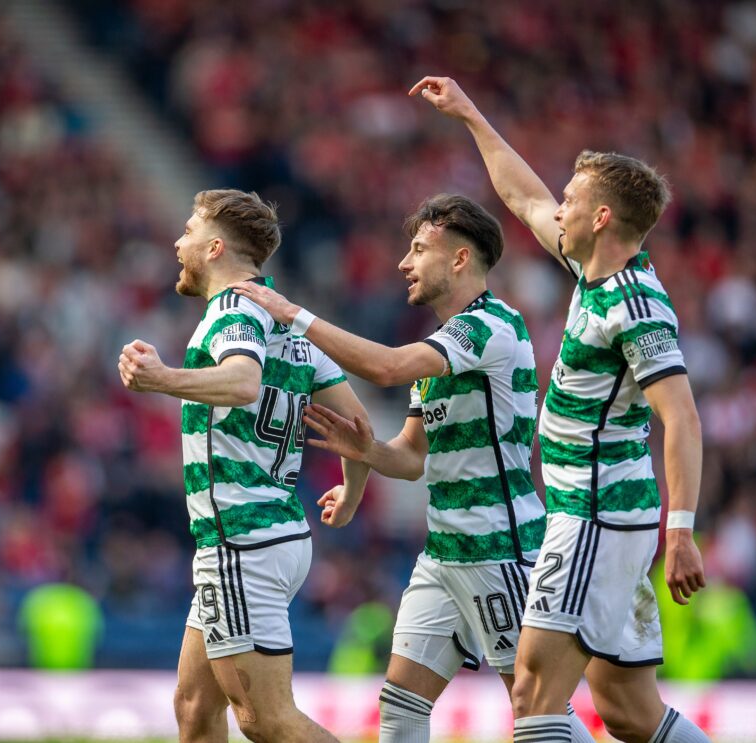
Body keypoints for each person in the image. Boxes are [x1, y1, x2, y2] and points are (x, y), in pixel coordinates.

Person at [410, 76, 710, 743]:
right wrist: (471, 115)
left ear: (601, 218)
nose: (559, 207)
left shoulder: (636, 306)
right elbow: (524, 197)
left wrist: (681, 530)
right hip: (597, 515)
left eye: (572, 199)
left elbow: (683, 418)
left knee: (534, 691)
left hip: (597, 515)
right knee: (627, 710)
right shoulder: (593, 274)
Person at [231, 194, 593, 743]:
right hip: (444, 554)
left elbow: (386, 367)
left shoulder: (491, 326)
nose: (404, 263)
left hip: (499, 547)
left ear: (460, 258)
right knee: (401, 705)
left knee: (537, 709)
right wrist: (366, 451)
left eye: (420, 249)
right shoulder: (441, 351)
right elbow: (410, 458)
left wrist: (294, 315)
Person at [118, 188, 370, 743]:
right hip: (275, 534)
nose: (177, 242)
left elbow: (242, 381)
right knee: (194, 708)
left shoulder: (233, 309)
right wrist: (352, 492)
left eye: (188, 231)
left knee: (266, 720)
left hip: (241, 537)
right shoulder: (288, 323)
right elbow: (358, 427)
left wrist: (160, 378)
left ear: (214, 248)